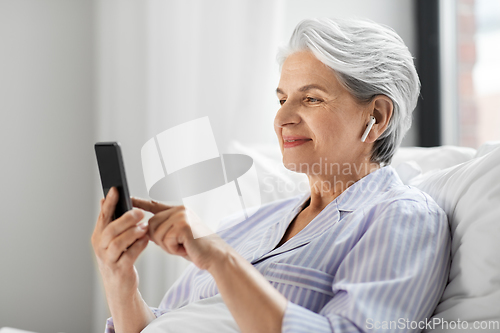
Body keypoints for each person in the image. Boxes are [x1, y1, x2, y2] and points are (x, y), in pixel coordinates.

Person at [92, 17, 451, 333]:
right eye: (282, 100)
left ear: (378, 116)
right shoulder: (248, 225)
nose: (282, 119)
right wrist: (119, 279)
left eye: (311, 99)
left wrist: (222, 260)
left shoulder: (402, 218)